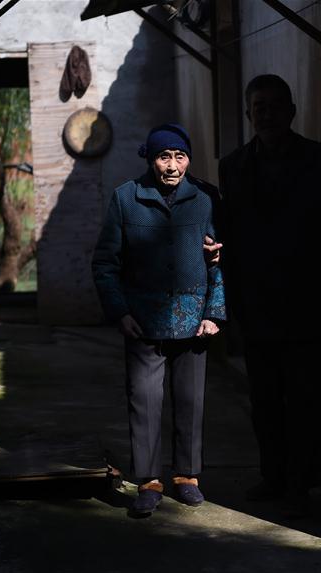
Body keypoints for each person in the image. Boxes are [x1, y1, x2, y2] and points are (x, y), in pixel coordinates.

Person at [217, 75, 321, 512]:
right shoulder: (232, 166)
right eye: (259, 107)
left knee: (307, 398)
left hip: (308, 300)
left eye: (276, 106)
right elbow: (228, 236)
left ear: (292, 111)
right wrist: (226, 300)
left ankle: (304, 482)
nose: (267, 114)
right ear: (248, 114)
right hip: (256, 303)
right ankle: (273, 476)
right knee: (264, 400)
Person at [92, 123, 225, 515]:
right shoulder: (126, 198)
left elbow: (220, 258)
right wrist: (119, 311)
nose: (172, 165)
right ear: (151, 160)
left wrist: (215, 311)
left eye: (179, 156)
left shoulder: (206, 197)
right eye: (164, 157)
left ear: (188, 159)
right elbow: (105, 263)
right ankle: (148, 480)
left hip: (193, 316)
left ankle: (187, 476)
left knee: (189, 400)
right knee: (144, 401)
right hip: (143, 319)